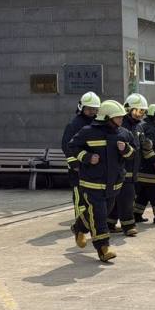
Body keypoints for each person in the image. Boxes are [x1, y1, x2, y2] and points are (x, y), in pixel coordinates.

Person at [68, 100, 135, 262]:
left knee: (102, 211)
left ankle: (79, 227)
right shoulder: (87, 132)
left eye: (121, 118)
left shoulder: (124, 134)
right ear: (106, 118)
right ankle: (103, 248)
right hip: (91, 183)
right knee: (99, 215)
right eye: (117, 118)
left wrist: (125, 149)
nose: (121, 121)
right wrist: (88, 157)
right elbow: (73, 147)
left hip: (113, 185)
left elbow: (133, 153)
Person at [107, 93, 150, 237]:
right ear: (127, 109)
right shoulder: (122, 125)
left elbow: (140, 143)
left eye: (142, 111)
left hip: (133, 169)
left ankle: (109, 224)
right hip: (123, 169)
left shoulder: (138, 126)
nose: (139, 115)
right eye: (137, 111)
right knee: (127, 197)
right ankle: (129, 226)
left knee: (117, 198)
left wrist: (146, 143)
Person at [62, 91, 100, 228]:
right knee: (80, 197)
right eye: (89, 109)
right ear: (81, 107)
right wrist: (75, 164)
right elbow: (67, 145)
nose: (92, 111)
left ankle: (89, 222)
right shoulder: (74, 124)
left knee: (91, 196)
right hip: (78, 168)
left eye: (94, 109)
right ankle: (79, 224)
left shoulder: (96, 123)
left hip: (92, 166)